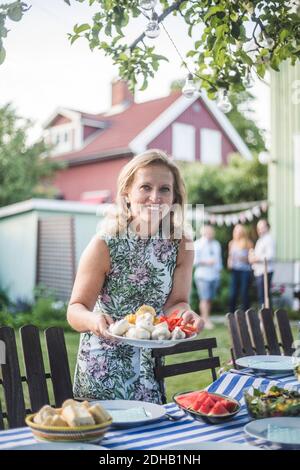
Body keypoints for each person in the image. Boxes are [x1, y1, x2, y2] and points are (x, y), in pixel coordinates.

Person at [67, 149, 204, 404]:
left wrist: (187, 315)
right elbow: (75, 310)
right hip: (103, 369)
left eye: (165, 189)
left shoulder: (182, 243)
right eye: (145, 187)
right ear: (127, 194)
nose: (155, 197)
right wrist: (94, 320)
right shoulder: (104, 244)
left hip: (150, 369)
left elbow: (177, 302)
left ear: (175, 197)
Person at [193, 225, 222, 329]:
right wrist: (207, 262)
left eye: (211, 232)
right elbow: (194, 261)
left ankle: (207, 317)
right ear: (203, 233)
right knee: (204, 298)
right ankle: (205, 320)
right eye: (208, 232)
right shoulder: (197, 244)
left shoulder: (216, 244)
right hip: (202, 276)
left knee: (209, 298)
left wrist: (219, 272)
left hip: (214, 275)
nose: (210, 234)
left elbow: (219, 260)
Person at [248, 219, 276, 308]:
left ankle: (266, 317)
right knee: (262, 296)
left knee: (264, 296)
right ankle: (265, 317)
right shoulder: (260, 240)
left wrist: (256, 259)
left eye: (262, 227)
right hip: (259, 271)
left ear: (267, 228)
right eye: (258, 228)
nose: (260, 230)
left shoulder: (269, 239)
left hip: (265, 271)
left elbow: (270, 256)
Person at [227, 224, 253, 312]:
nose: (237, 233)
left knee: (244, 292)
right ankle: (231, 314)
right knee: (233, 293)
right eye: (236, 231)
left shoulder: (248, 243)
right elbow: (230, 257)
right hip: (235, 270)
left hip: (245, 271)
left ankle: (247, 314)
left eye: (239, 231)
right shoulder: (231, 243)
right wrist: (229, 263)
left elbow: (251, 259)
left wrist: (243, 258)